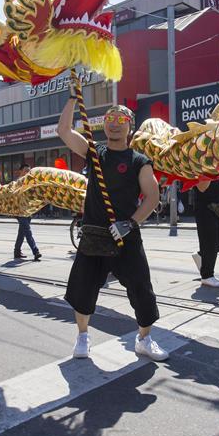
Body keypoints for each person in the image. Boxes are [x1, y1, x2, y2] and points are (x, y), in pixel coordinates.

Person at [57, 98, 168, 362]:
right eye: (110, 121)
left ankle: (144, 339)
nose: (115, 125)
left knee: (141, 290)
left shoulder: (139, 161)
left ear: (130, 126)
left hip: (125, 237)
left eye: (121, 121)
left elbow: (152, 198)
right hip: (94, 234)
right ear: (104, 125)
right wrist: (72, 99)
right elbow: (64, 131)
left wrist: (130, 223)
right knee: (83, 289)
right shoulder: (95, 153)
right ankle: (83, 336)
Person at [192, 179, 219, 288]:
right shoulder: (199, 165)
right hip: (205, 207)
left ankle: (202, 255)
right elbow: (202, 187)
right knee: (209, 241)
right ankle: (207, 276)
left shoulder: (215, 164)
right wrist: (211, 172)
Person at [13, 164, 42, 260]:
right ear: (20, 171)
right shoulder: (17, 183)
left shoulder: (30, 182)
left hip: (28, 210)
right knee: (27, 231)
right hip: (20, 211)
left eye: (29, 171)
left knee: (22, 232)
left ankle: (17, 251)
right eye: (25, 170)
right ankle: (35, 251)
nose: (27, 172)